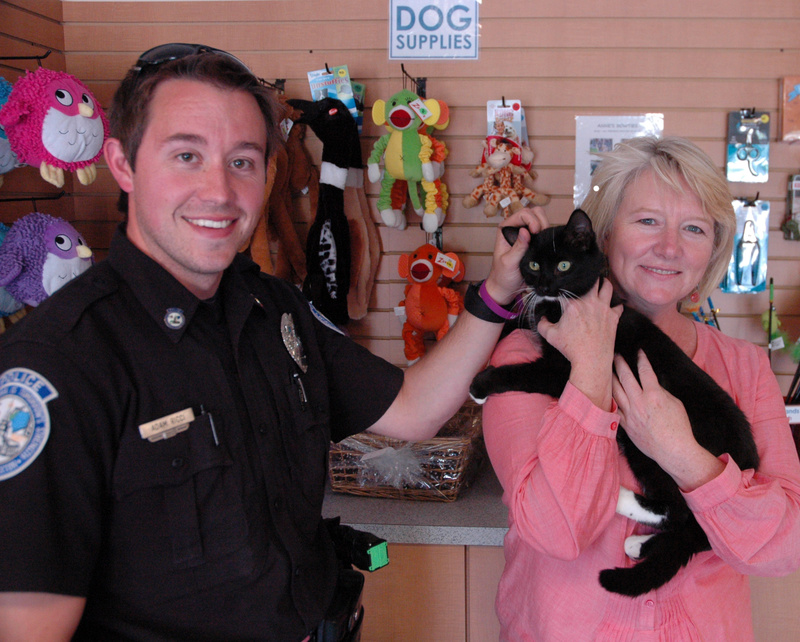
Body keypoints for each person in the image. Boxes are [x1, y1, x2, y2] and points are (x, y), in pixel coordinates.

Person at [0, 44, 548, 641]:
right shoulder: (59, 361)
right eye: (186, 155)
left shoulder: (273, 310)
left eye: (243, 161)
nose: (219, 190)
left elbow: (414, 409)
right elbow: (29, 628)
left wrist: (498, 291)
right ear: (122, 164)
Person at [483, 136, 800, 640]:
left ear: (712, 250)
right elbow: (557, 532)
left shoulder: (744, 365)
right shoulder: (526, 354)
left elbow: (785, 548)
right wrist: (588, 366)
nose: (670, 247)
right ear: (602, 236)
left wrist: (685, 456)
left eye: (693, 228)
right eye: (648, 221)